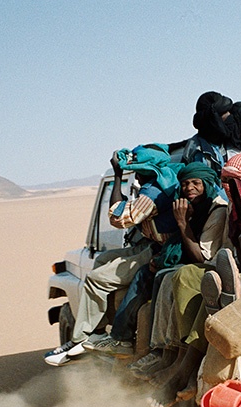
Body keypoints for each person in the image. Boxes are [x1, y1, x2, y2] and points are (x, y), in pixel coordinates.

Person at [147, 153, 241, 407]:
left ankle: (187, 369)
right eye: (227, 182)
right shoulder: (234, 209)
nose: (232, 189)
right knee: (185, 275)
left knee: (217, 285)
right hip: (237, 266)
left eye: (237, 182)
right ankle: (182, 356)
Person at [43, 144, 179, 366]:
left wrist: (117, 177)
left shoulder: (154, 191)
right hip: (154, 245)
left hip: (162, 251)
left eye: (137, 170)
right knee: (101, 259)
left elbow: (118, 219)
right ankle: (99, 329)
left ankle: (84, 338)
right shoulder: (164, 182)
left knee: (96, 279)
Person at [95, 163, 228, 363]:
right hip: (190, 258)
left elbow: (202, 257)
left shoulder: (215, 210)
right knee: (145, 273)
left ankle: (160, 349)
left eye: (195, 183)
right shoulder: (188, 205)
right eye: (185, 184)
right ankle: (122, 338)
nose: (189, 188)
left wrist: (182, 223)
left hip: (207, 266)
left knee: (161, 277)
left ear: (207, 184)